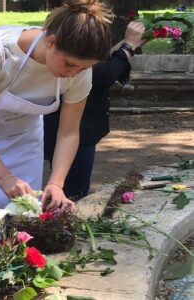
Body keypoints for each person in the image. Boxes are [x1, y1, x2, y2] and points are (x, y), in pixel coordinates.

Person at [0, 0, 113, 296]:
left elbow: (69, 132)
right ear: (51, 41)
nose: (73, 74)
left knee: (18, 227)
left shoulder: (80, 70)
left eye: (82, 69)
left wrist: (56, 182)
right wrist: (3, 176)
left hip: (23, 138)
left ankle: (7, 290)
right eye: (69, 65)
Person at [44, 19, 147, 201]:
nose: (74, 72)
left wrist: (124, 46)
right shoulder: (77, 30)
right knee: (73, 191)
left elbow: (95, 62)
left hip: (76, 125)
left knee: (71, 184)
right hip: (77, 126)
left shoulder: (78, 28)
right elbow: (101, 75)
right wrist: (129, 46)